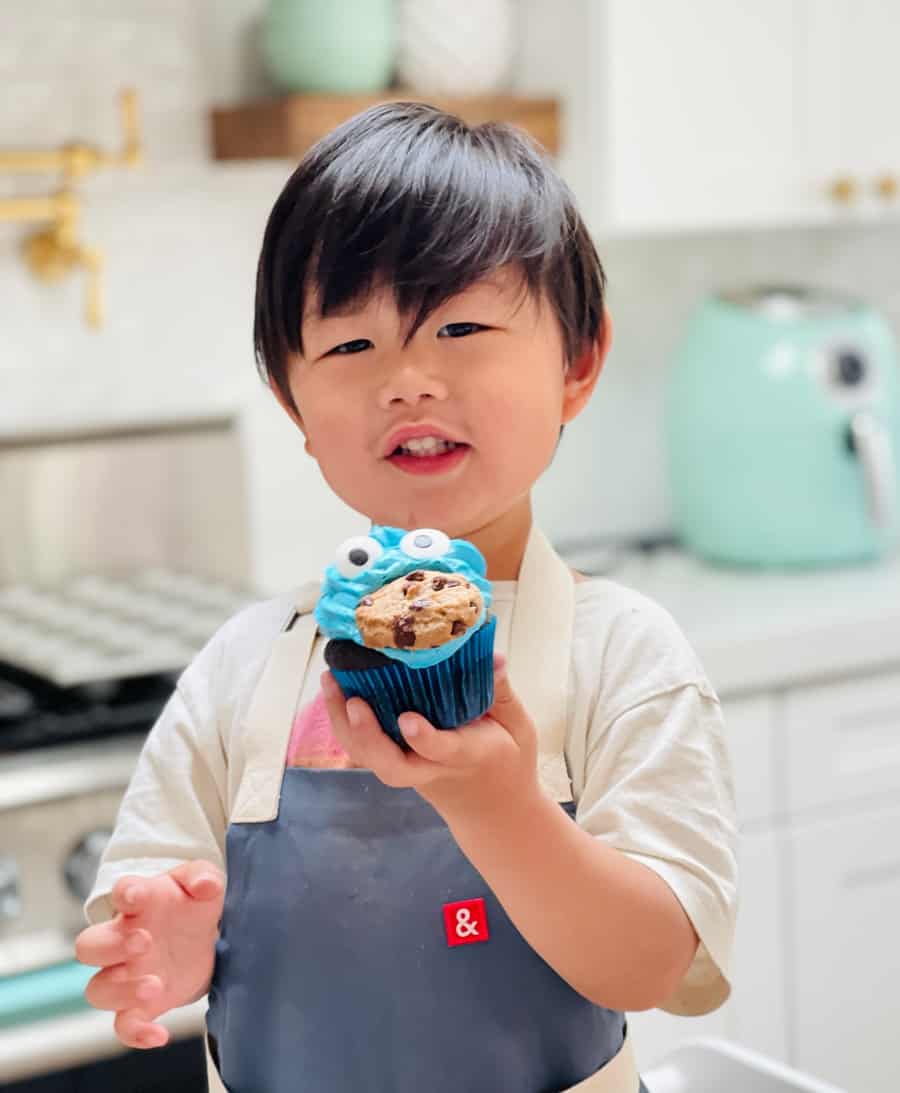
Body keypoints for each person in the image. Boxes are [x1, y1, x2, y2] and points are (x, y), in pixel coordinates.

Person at [74, 102, 738, 1093]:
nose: (408, 380)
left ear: (579, 361)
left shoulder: (626, 658)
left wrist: (500, 805)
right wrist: (166, 943)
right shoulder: (243, 667)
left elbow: (650, 965)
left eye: (461, 326)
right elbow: (153, 903)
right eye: (350, 347)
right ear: (292, 400)